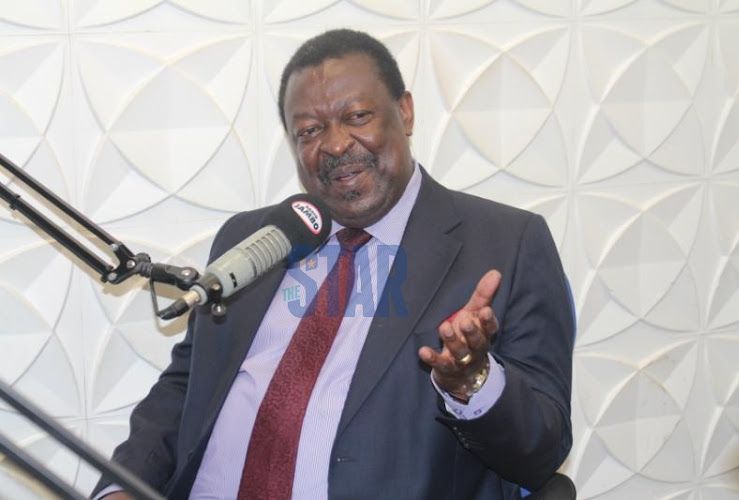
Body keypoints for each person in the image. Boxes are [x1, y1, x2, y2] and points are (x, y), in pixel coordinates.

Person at [94, 29, 574, 500]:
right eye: (310, 130)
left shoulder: (506, 244)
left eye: (357, 115)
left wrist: (473, 381)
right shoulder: (253, 239)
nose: (336, 144)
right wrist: (122, 486)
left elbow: (541, 453)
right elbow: (186, 385)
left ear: (404, 112)